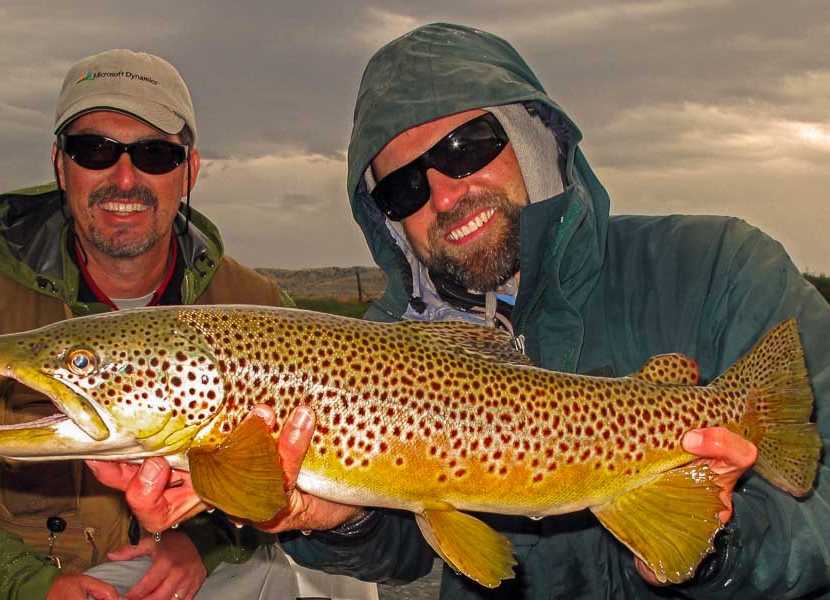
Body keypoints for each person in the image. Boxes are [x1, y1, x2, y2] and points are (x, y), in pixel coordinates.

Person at [96, 24, 830, 599]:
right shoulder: (383, 343)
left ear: (536, 142)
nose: (445, 194)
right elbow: (409, 546)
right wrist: (325, 515)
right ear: (386, 221)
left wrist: (716, 543)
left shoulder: (719, 267)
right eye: (403, 190)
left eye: (466, 146)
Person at [0, 49, 298, 600]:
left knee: (339, 575)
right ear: (60, 164)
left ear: (189, 171)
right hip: (38, 579)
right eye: (94, 150)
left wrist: (202, 543)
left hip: (210, 580)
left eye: (154, 154)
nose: (124, 179)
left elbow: (298, 480)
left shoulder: (262, 308)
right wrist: (31, 587)